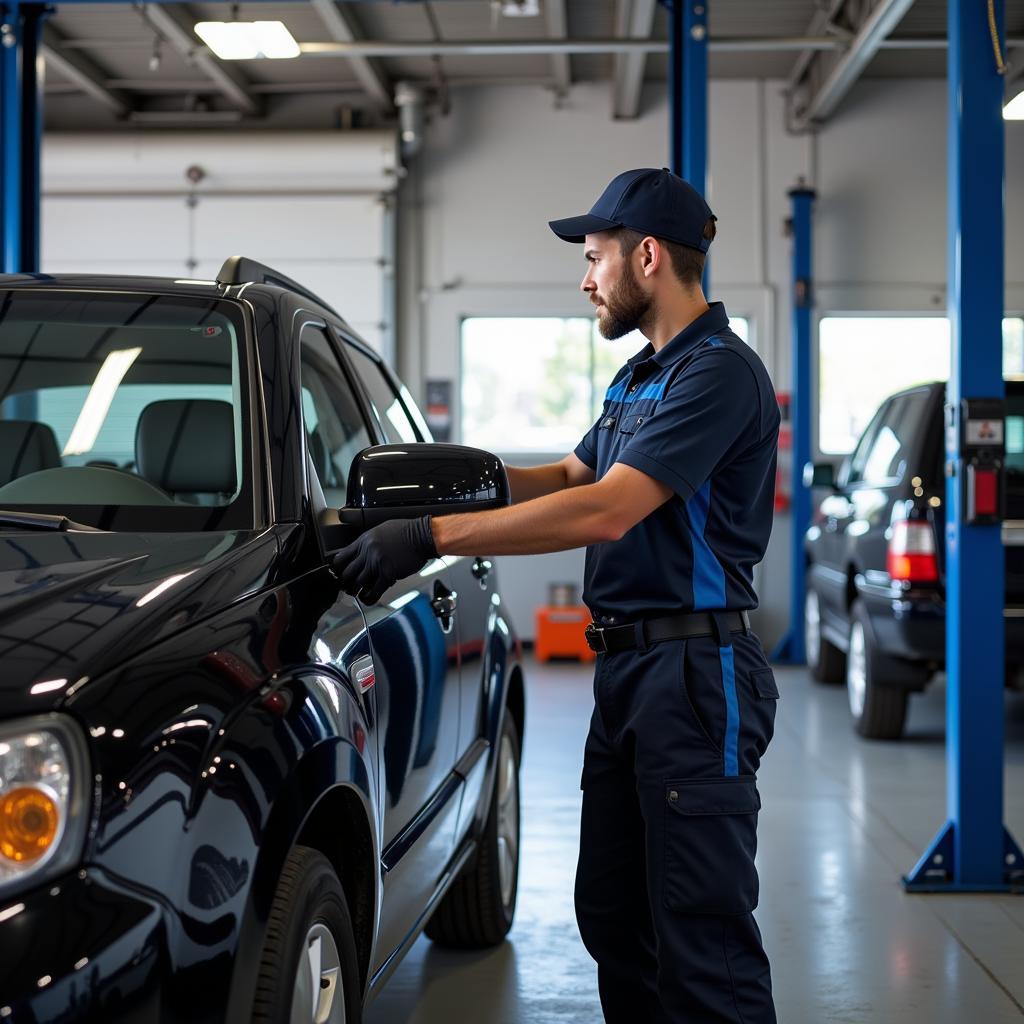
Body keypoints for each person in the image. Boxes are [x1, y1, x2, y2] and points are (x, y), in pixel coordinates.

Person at [332, 167, 780, 1024]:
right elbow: (571, 473)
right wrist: (436, 488)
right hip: (629, 680)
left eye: (595, 257)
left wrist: (430, 540)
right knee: (616, 918)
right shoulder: (641, 377)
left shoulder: (717, 374)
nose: (585, 278)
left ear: (646, 256)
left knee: (701, 938)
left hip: (694, 676)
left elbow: (607, 508)